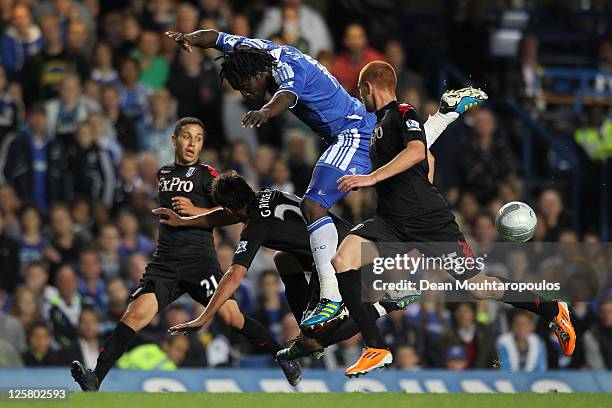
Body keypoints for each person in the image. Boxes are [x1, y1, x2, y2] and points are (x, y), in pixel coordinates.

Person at [165, 28, 486, 328]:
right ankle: (446, 112)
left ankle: (330, 296)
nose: (245, 92)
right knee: (407, 160)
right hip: (359, 127)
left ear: (259, 73)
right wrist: (188, 37)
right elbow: (216, 37)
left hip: (352, 133)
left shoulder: (287, 70)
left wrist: (265, 111)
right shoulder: (254, 51)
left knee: (314, 206)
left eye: (245, 86)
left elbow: (285, 98)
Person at [329, 60, 575, 376]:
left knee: (479, 287)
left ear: (368, 87)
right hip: (392, 220)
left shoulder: (403, 113)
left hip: (429, 222)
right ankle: (376, 348)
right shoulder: (379, 125)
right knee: (343, 259)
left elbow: (418, 151)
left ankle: (553, 309)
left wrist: (372, 178)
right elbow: (427, 158)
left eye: (359, 90)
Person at [70, 117, 301, 391]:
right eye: (187, 136)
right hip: (165, 262)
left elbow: (235, 214)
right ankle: (95, 378)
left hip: (199, 262)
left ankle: (283, 358)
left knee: (232, 318)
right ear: (173, 140)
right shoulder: (163, 174)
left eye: (199, 138)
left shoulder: (208, 175)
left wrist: (197, 212)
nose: (193, 143)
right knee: (133, 315)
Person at [155, 171, 417, 360]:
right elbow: (227, 214)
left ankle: (387, 302)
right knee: (284, 258)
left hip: (339, 257)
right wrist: (185, 221)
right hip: (345, 242)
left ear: (233, 208)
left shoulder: (255, 227)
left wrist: (204, 317)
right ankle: (308, 323)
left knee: (314, 341)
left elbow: (234, 276)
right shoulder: (267, 194)